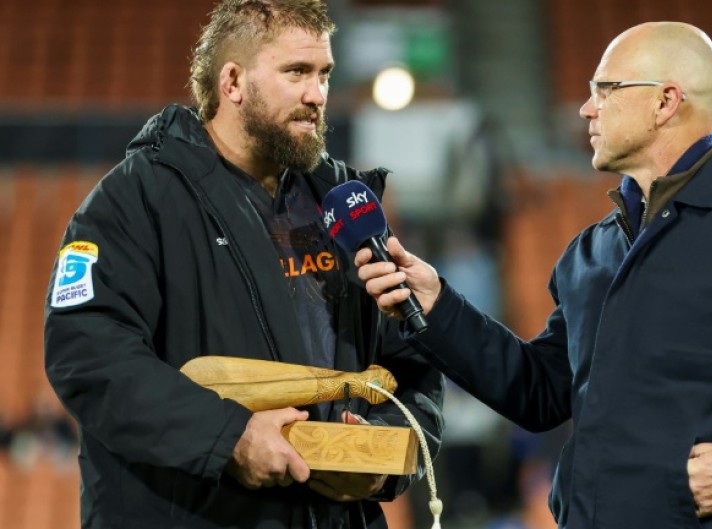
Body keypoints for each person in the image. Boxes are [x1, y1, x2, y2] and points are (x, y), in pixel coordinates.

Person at [355, 21, 712, 529]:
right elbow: (541, 392)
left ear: (665, 102)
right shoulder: (594, 249)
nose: (586, 108)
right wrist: (438, 306)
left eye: (606, 89)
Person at [43, 1, 444, 528]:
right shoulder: (134, 200)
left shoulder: (344, 204)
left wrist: (385, 455)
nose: (317, 95)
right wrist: (227, 436)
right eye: (296, 72)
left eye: (325, 74)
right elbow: (89, 356)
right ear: (232, 81)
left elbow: (411, 361)